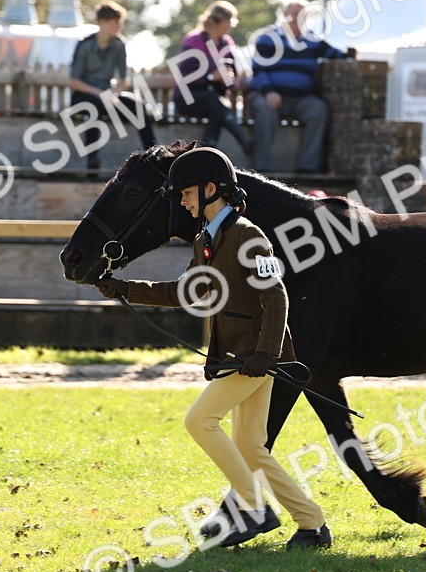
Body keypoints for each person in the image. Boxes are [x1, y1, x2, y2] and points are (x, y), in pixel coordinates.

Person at [96, 147, 332, 550]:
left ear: (210, 189)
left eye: (187, 194)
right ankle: (312, 524)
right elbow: (186, 291)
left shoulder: (248, 237)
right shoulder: (206, 238)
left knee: (199, 420)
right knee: (251, 448)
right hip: (239, 354)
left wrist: (267, 354)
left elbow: (276, 299)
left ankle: (253, 508)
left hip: (254, 357)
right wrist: (125, 288)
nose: (183, 203)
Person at [247, 2, 353, 174]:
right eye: (294, 13)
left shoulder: (313, 41)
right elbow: (258, 69)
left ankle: (308, 166)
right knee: (266, 112)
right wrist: (269, 91)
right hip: (270, 95)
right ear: (284, 14)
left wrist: (351, 54)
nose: (297, 18)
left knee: (319, 110)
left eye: (302, 14)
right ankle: (261, 167)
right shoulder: (267, 39)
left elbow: (337, 55)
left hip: (301, 99)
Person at [68, 0, 156, 169]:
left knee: (138, 106)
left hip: (108, 95)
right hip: (85, 95)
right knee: (94, 105)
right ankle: (92, 161)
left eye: (120, 22)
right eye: (116, 22)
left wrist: (114, 93)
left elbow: (124, 80)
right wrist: (100, 94)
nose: (119, 26)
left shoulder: (119, 44)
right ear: (102, 22)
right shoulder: (84, 45)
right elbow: (74, 81)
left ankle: (152, 156)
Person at [175, 1, 255, 158]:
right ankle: (241, 138)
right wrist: (211, 77)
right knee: (216, 102)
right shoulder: (193, 41)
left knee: (217, 106)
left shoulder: (227, 43)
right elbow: (185, 77)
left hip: (215, 100)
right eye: (230, 22)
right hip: (188, 98)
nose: (231, 27)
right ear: (222, 21)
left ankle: (206, 149)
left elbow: (233, 77)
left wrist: (228, 80)